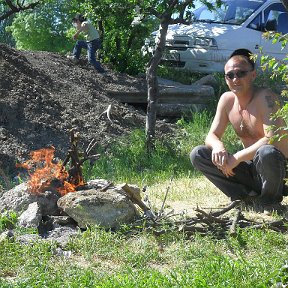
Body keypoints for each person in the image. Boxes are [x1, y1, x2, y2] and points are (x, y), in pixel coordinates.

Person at [190, 49, 288, 213]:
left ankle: (270, 201)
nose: (235, 79)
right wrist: (218, 147)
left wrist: (235, 158)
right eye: (230, 75)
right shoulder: (226, 100)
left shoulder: (266, 98)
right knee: (198, 154)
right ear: (226, 79)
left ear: (253, 75)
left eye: (241, 73)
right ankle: (245, 196)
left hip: (279, 170)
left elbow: (271, 139)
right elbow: (212, 135)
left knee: (266, 152)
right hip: (251, 168)